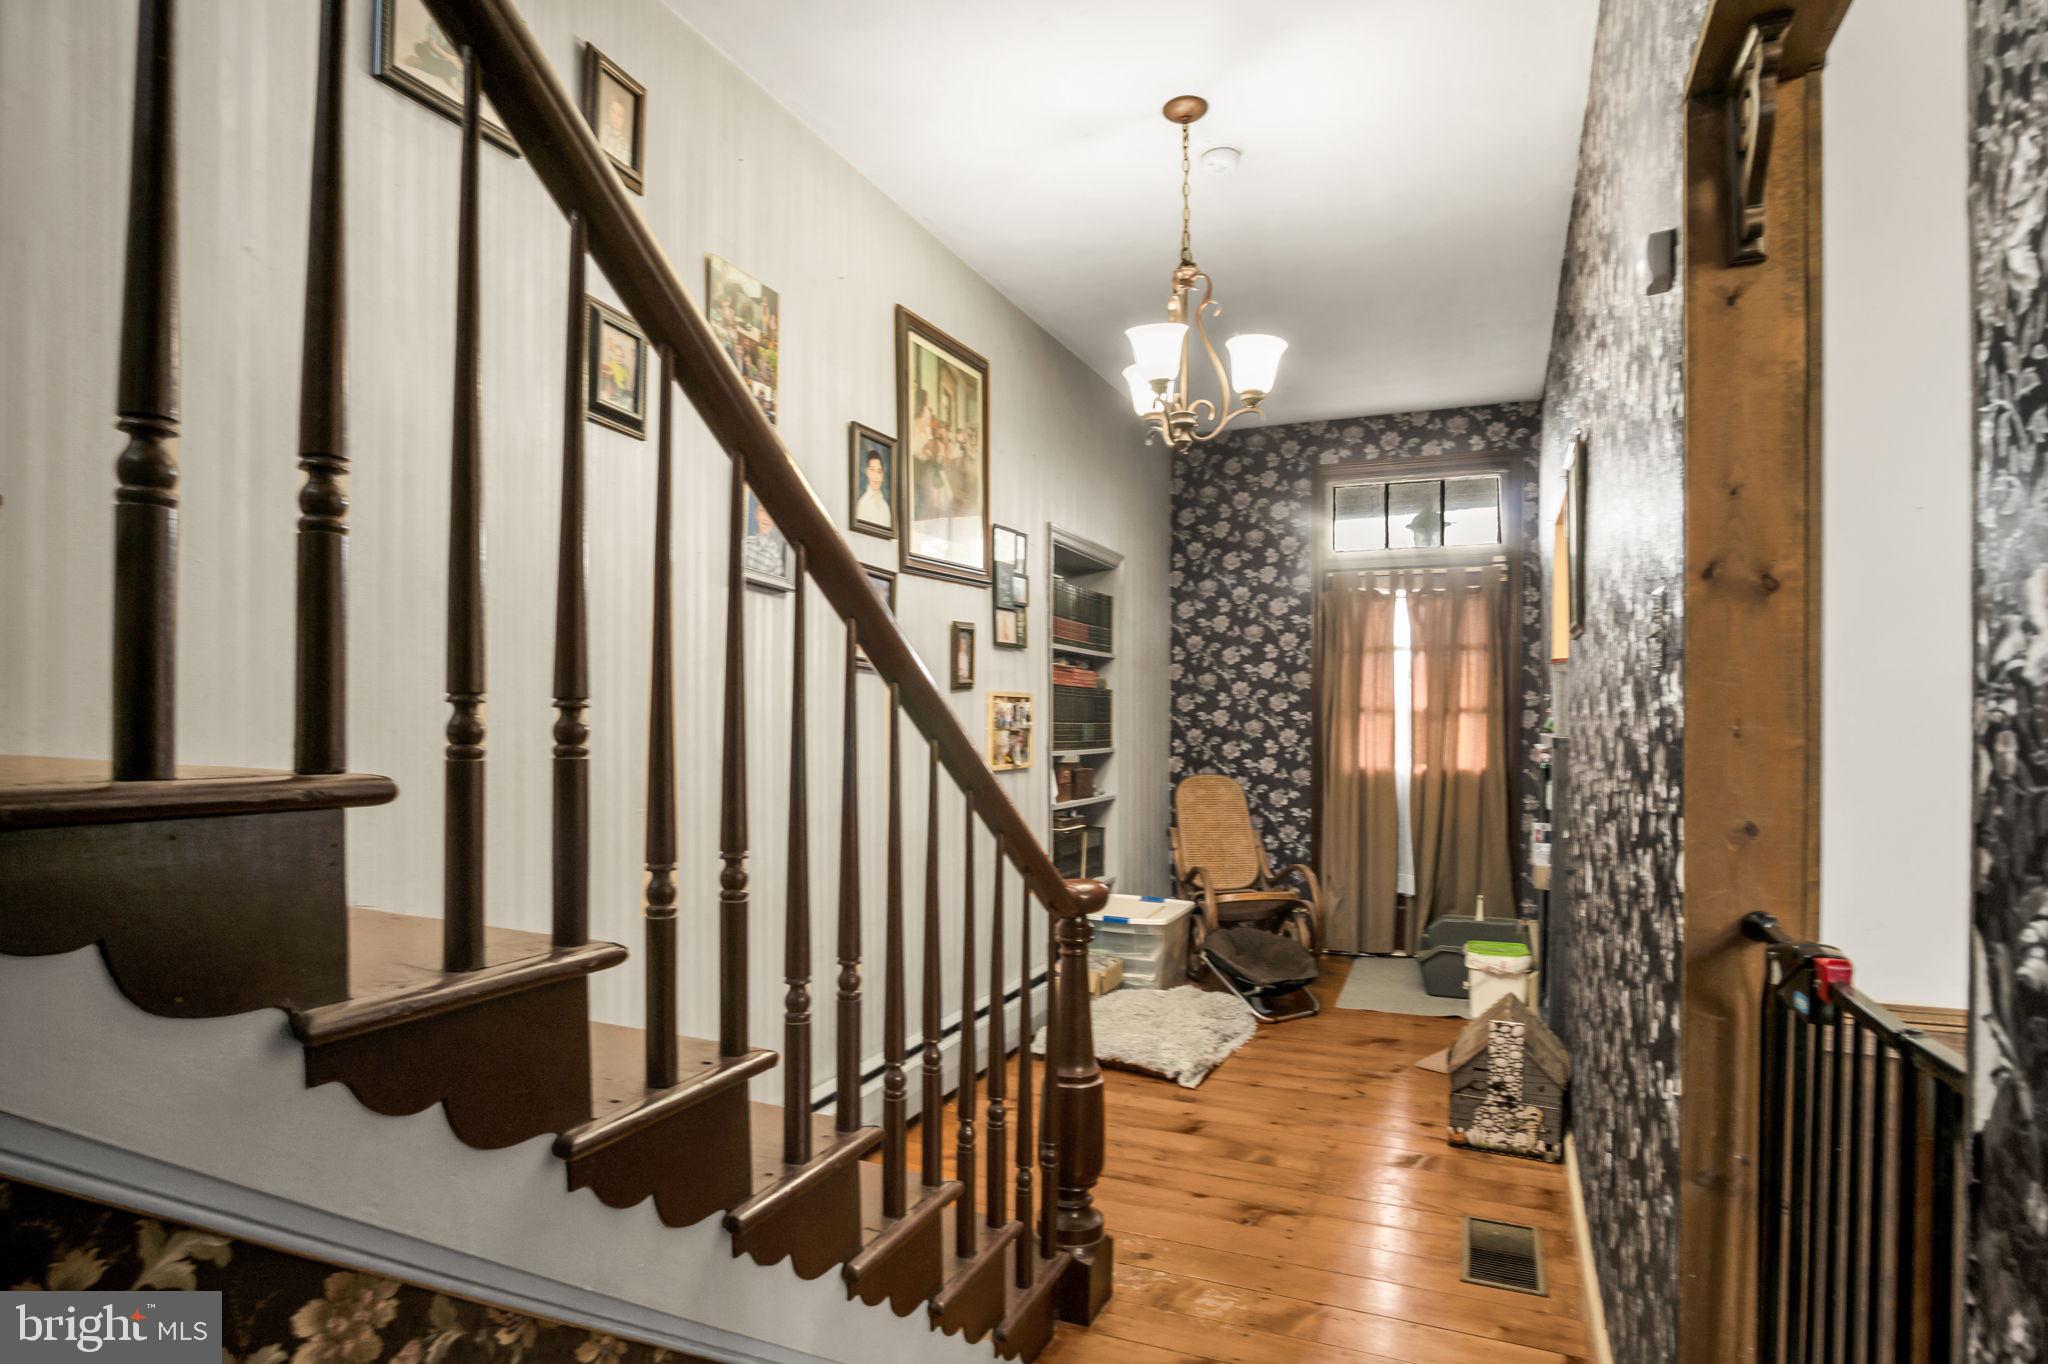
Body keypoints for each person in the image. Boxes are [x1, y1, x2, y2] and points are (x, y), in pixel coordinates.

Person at [855, 449, 892, 528]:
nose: (876, 476)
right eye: (872, 470)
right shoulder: (862, 504)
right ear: (867, 472)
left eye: (879, 471)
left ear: (882, 476)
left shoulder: (886, 507)